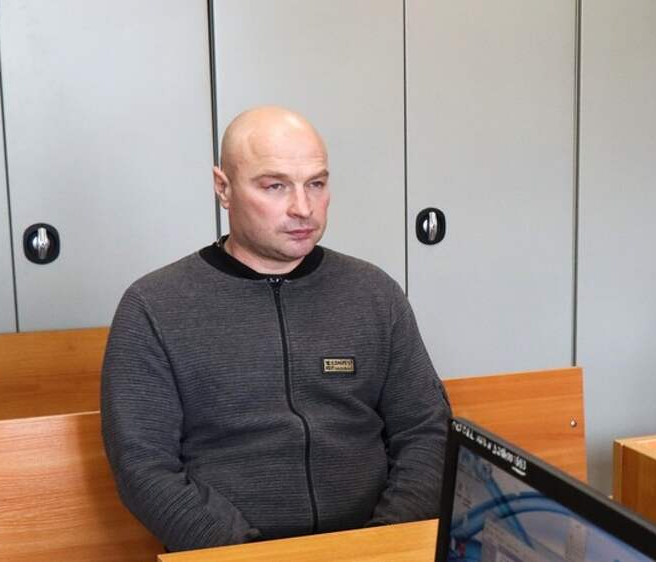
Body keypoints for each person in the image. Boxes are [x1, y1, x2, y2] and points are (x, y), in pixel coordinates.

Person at [101, 106, 451, 552]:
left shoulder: (374, 293)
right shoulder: (154, 306)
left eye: (316, 184)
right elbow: (144, 467)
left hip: (380, 548)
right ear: (223, 188)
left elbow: (426, 431)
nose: (303, 208)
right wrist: (246, 555)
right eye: (275, 186)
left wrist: (384, 543)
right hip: (233, 555)